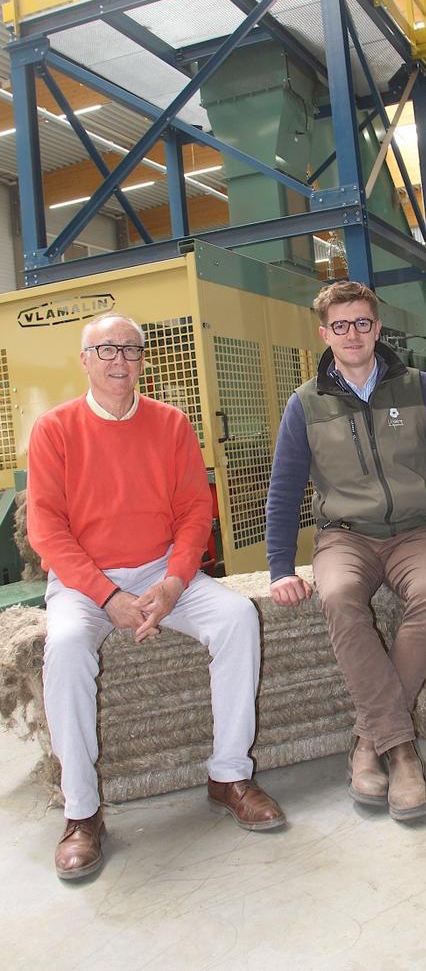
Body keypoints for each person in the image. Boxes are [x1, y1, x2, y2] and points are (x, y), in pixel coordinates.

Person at [26, 313, 285, 882]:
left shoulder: (171, 424)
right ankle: (82, 812)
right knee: (65, 647)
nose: (119, 360)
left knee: (238, 617)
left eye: (130, 349)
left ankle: (229, 775)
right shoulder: (54, 429)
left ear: (143, 360)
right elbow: (46, 530)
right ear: (85, 360)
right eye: (106, 350)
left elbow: (194, 510)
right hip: (84, 581)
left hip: (161, 569)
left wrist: (173, 582)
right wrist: (106, 596)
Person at [266, 281, 426, 821]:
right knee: (339, 596)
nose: (352, 334)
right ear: (325, 334)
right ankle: (403, 753)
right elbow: (285, 488)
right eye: (340, 325)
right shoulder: (304, 404)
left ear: (377, 328)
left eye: (362, 323)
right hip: (345, 535)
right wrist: (279, 568)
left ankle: (370, 740)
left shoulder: (420, 388)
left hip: (418, 531)